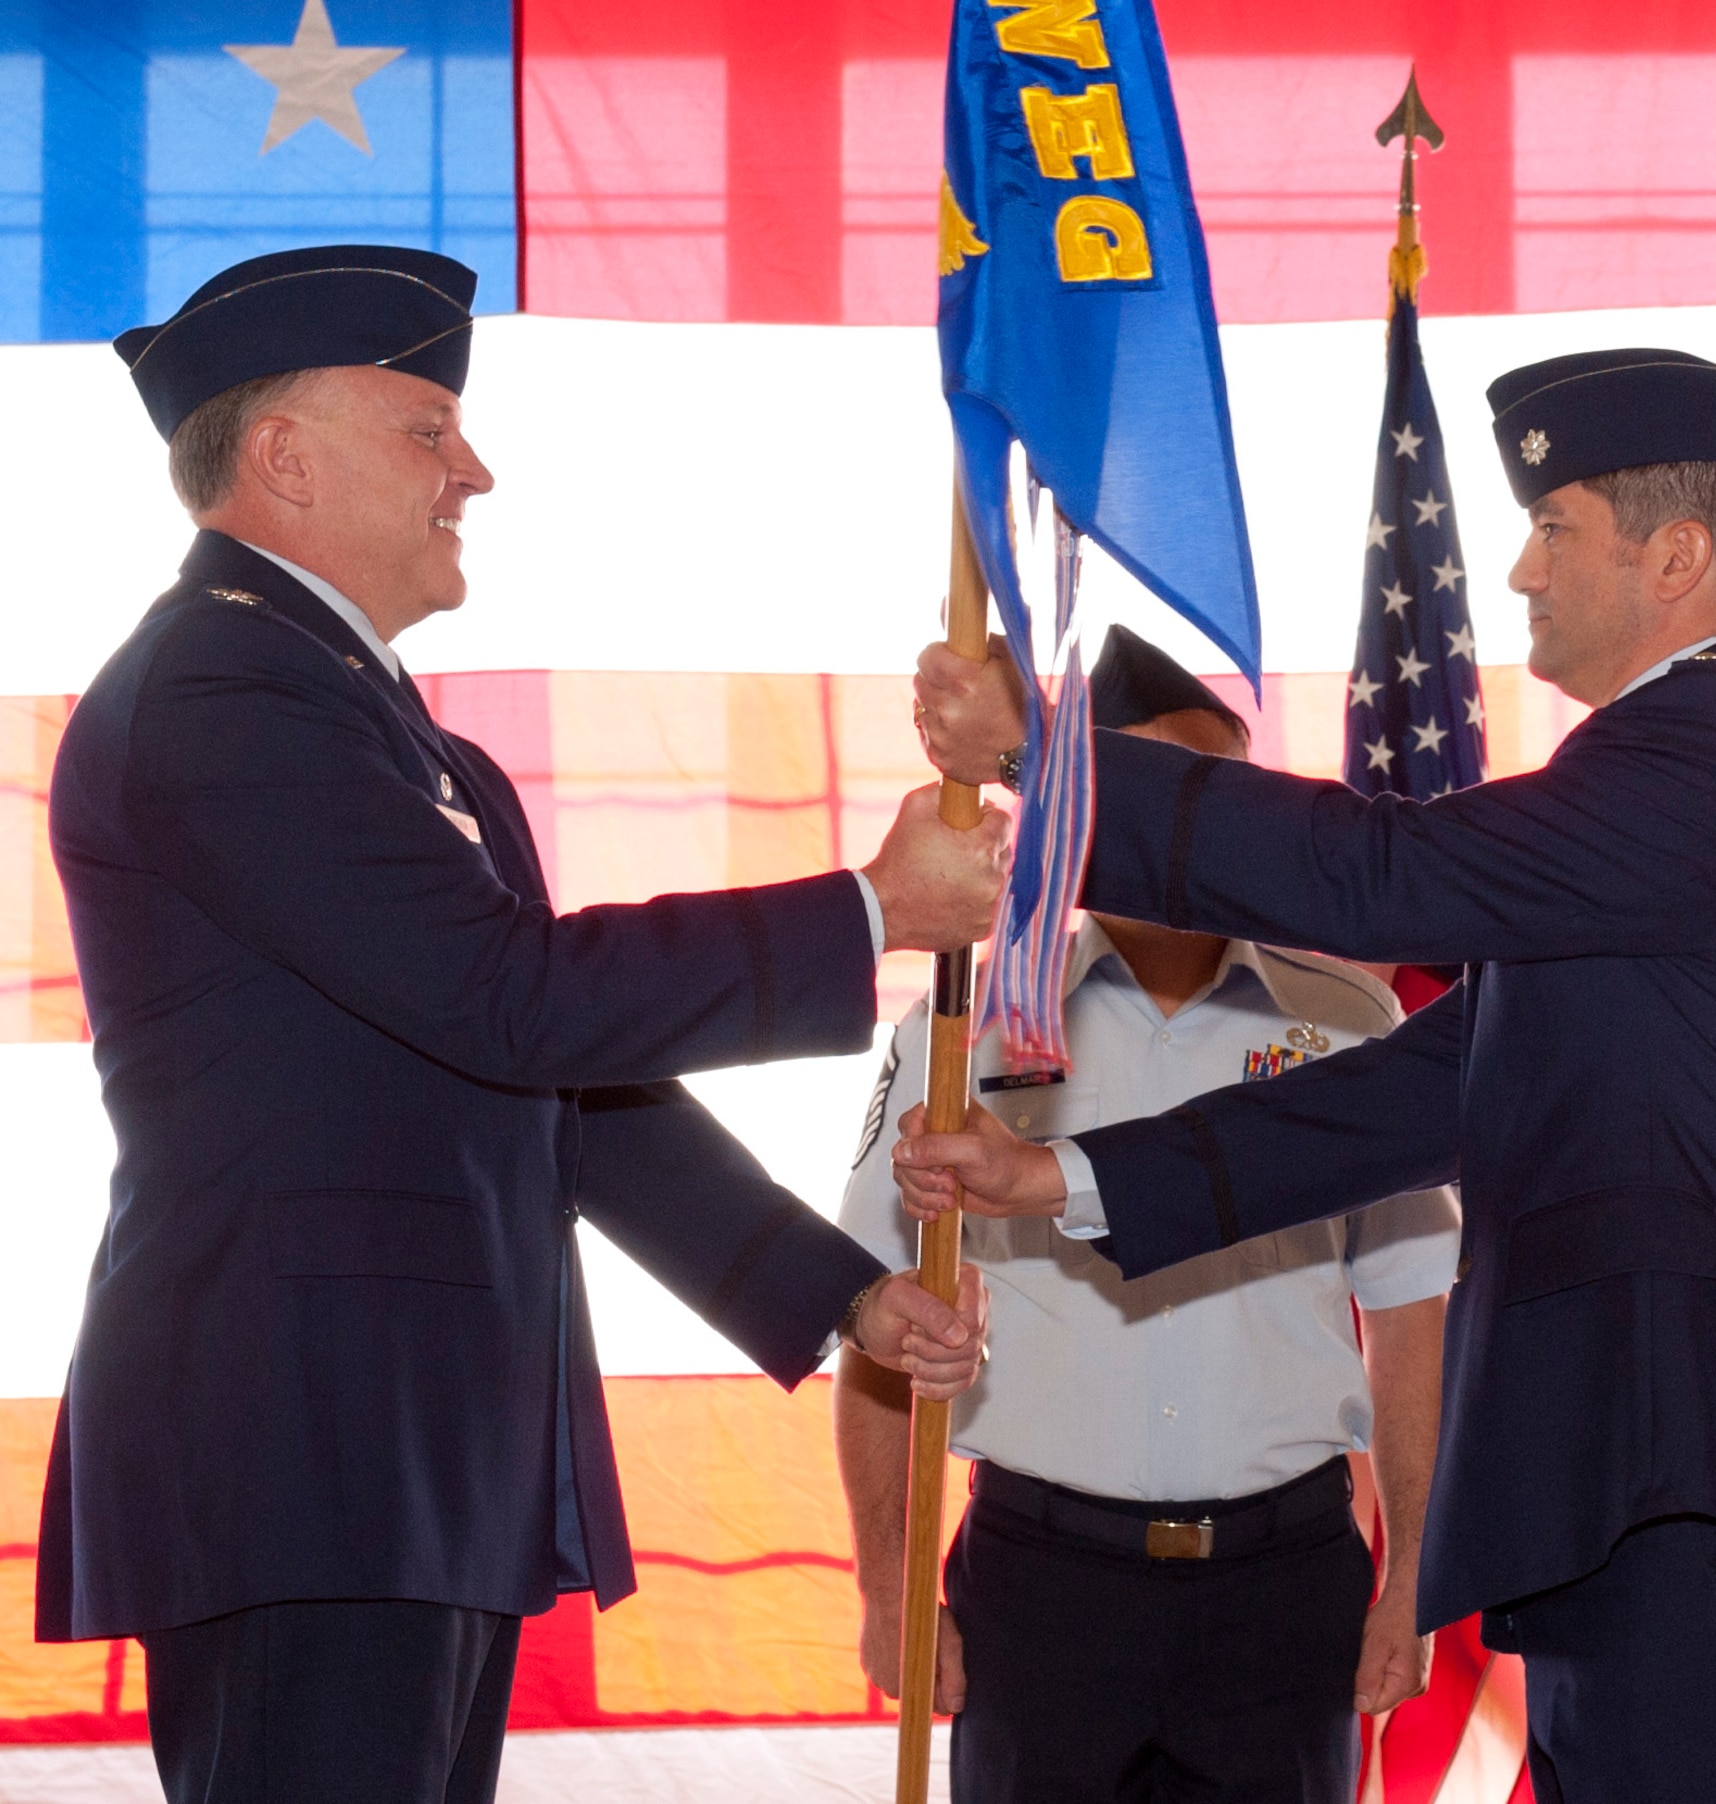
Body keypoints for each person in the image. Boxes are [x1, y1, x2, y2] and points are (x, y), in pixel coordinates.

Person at [897, 351, 1716, 1803]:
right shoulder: (1661, 808)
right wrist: (1067, 1175)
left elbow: (1385, 873)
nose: (1517, 570)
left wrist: (1055, 763)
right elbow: (1419, 1095)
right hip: (1653, 1501)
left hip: (1708, 1494)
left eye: (1557, 525)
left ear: (1679, 558)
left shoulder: (1710, 764)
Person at [36, 244, 1005, 1804]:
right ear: (281, 457)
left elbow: (560, 1081)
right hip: (306, 1450)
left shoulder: (390, 734)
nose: (472, 471)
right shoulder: (222, 691)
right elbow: (513, 1000)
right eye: (426, 428)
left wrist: (842, 1296)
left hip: (399, 1451)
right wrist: (868, 910)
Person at [836, 626, 1459, 1803]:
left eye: (1210, 797)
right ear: (1085, 812)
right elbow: (871, 1319)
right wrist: (888, 1588)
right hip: (1040, 1591)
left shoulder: (1351, 1026)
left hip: (1284, 1593)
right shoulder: (966, 1028)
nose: (1188, 828)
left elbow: (1409, 1315)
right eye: (1154, 794)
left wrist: (1412, 1569)